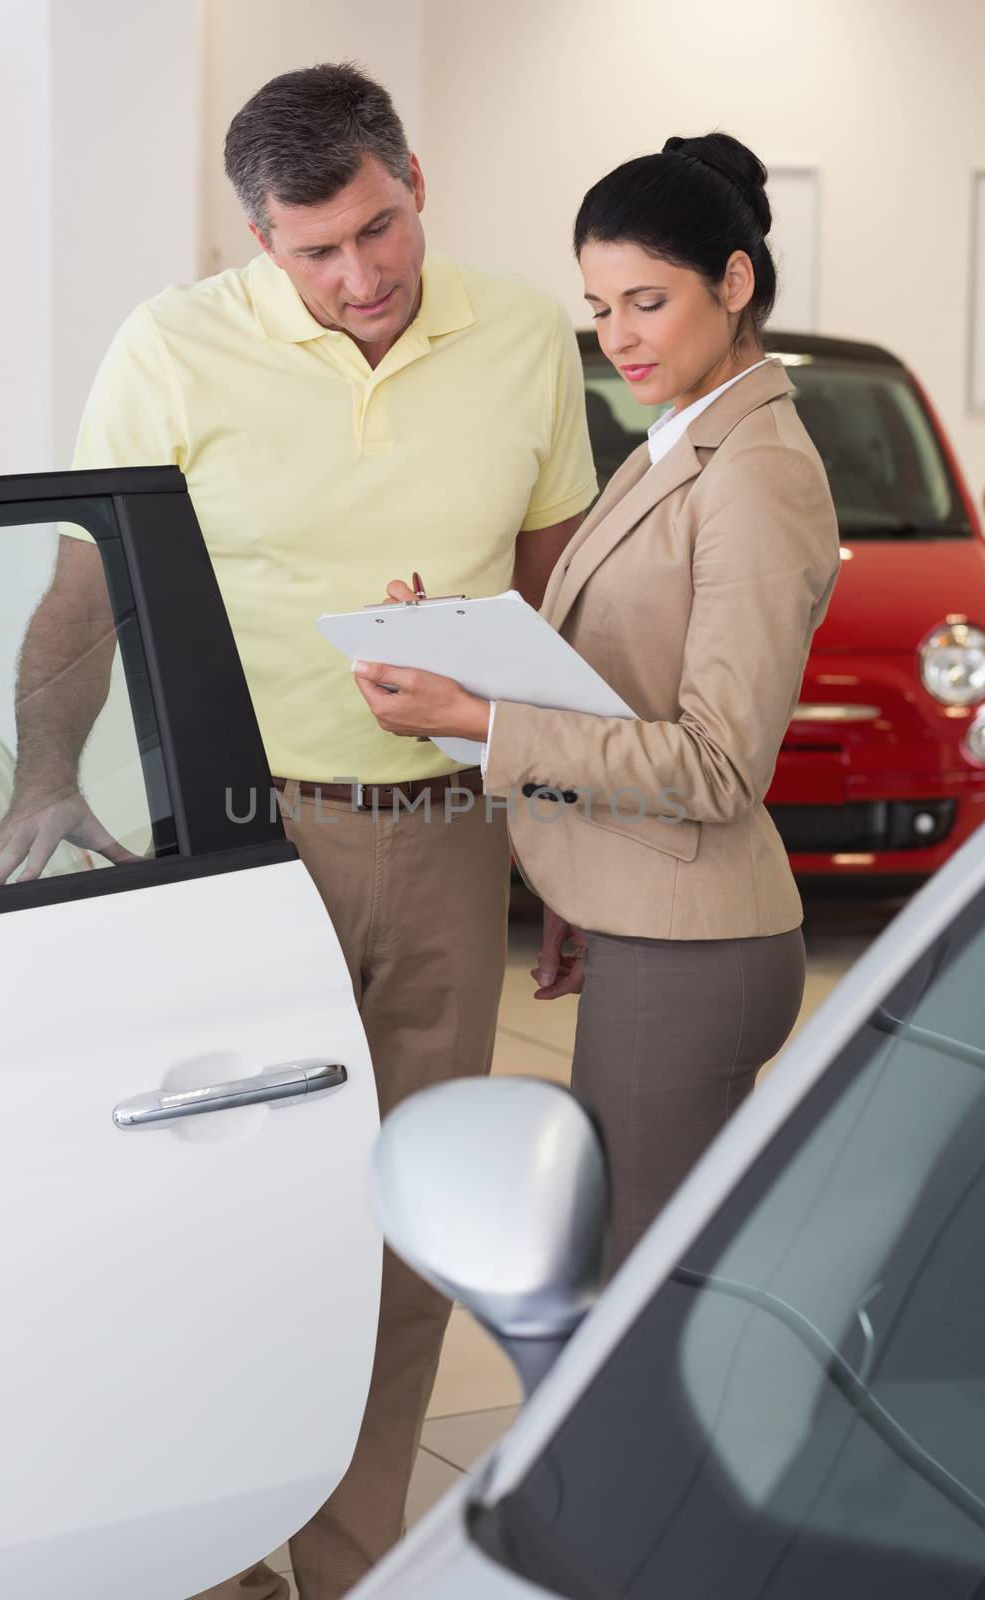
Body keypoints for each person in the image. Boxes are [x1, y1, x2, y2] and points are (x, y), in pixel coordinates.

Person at [0, 63, 596, 1600]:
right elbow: (79, 588)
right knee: (236, 1218)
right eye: (315, 250)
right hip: (244, 853)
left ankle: (353, 1554)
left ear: (415, 180)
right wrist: (43, 779)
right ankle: (225, 1562)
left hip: (452, 832)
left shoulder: (520, 332)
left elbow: (556, 596)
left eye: (379, 229)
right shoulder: (170, 348)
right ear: (256, 236)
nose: (361, 277)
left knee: (410, 1224)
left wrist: (566, 829)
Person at [352, 132, 841, 1272]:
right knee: (641, 1279)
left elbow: (717, 767)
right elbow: (612, 674)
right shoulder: (674, 437)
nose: (617, 335)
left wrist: (474, 721)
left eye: (646, 300)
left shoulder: (755, 469)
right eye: (598, 304)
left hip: (695, 943)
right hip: (645, 918)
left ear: (733, 283)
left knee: (635, 1292)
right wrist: (460, 652)